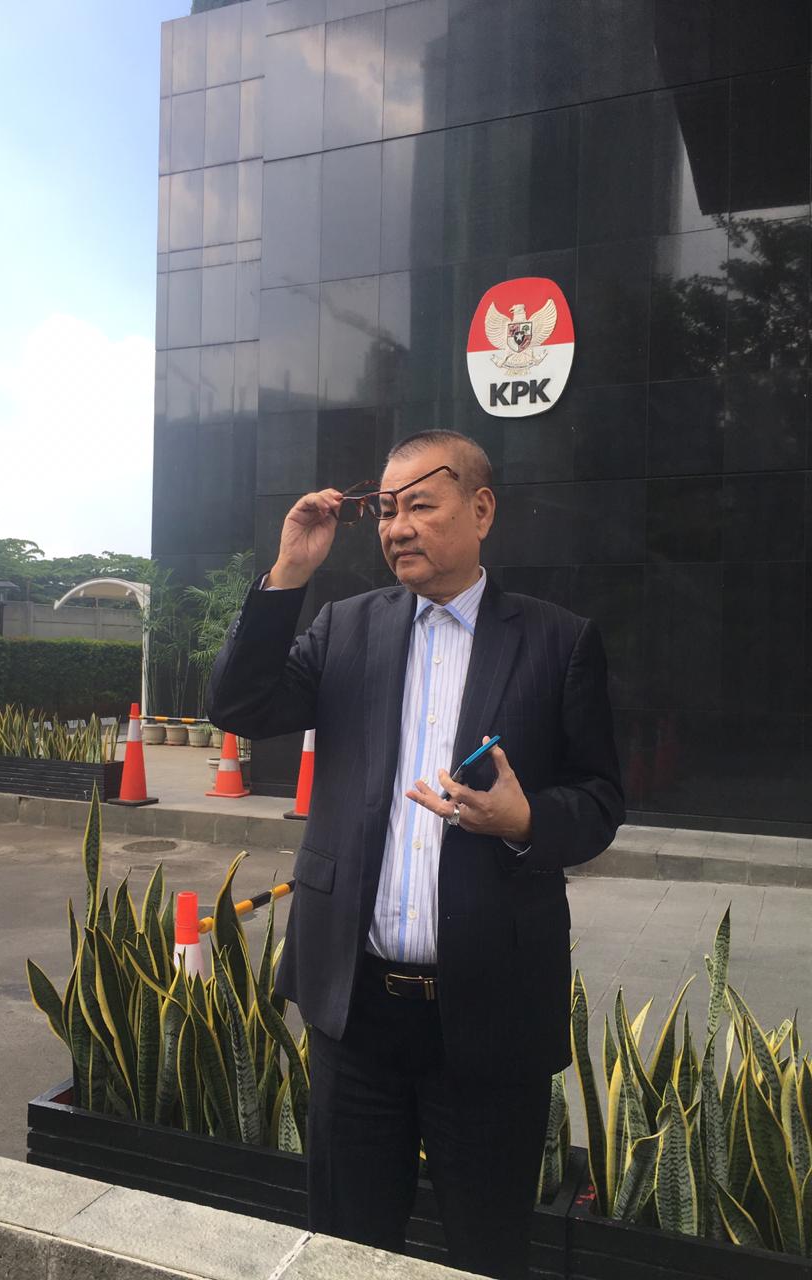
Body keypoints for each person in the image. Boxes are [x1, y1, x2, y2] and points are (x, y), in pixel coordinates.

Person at [206, 430, 624, 1279]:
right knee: (346, 1249)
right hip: (355, 1009)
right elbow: (239, 706)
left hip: (490, 1015)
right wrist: (289, 571)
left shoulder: (558, 640)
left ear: (481, 510)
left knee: (485, 1251)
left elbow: (600, 800)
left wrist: (525, 819)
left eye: (420, 505)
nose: (396, 527)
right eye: (387, 510)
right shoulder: (345, 627)